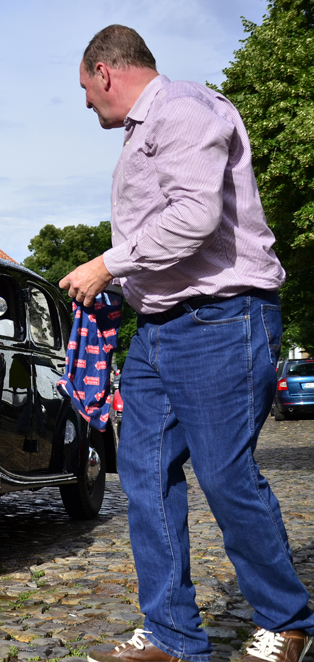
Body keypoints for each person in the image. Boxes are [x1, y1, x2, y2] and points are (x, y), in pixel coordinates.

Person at [61, 25, 312, 662]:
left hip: (223, 321)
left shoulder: (183, 111)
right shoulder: (141, 134)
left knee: (226, 474)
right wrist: (123, 291)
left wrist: (108, 266)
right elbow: (167, 232)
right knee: (142, 475)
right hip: (160, 330)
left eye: (85, 89)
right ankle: (172, 637)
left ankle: (288, 622)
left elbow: (195, 217)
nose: (86, 103)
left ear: (104, 71)